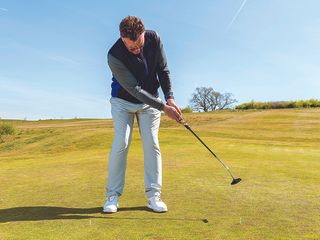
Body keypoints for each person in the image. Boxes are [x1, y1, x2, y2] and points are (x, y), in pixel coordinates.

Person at [103, 16, 182, 213]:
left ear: (143, 34)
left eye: (139, 45)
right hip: (123, 101)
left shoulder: (154, 38)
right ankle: (112, 196)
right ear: (123, 39)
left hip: (150, 103)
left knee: (151, 143)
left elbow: (163, 69)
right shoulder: (114, 55)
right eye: (132, 48)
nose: (137, 51)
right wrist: (164, 108)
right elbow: (135, 89)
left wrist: (170, 97)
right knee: (121, 142)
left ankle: (153, 195)